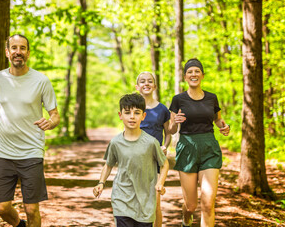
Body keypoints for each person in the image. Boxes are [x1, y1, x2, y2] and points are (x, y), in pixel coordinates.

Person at [0, 34, 60, 227]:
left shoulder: (41, 80)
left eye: (22, 48)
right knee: (1, 207)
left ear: (28, 53)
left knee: (32, 209)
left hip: (31, 152)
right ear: (7, 52)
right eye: (14, 48)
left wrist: (50, 123)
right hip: (2, 152)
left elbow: (55, 115)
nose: (18, 51)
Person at [168, 58, 230, 227]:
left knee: (208, 204)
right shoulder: (178, 99)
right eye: (190, 72)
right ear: (185, 77)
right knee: (191, 205)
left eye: (197, 71)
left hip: (209, 147)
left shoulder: (212, 98)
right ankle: (186, 218)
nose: (193, 74)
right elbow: (172, 130)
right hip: (187, 148)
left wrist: (224, 127)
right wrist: (176, 123)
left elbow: (218, 120)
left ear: (202, 75)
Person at [93, 93, 170, 227]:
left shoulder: (151, 143)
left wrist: (160, 183)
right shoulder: (115, 142)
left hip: (146, 201)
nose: (132, 117)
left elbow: (164, 164)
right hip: (121, 199)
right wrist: (101, 183)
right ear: (120, 115)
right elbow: (108, 164)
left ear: (143, 116)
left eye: (137, 113)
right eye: (127, 113)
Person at [135, 71, 171, 227]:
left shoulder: (162, 109)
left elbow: (168, 133)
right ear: (137, 87)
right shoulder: (133, 108)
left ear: (155, 86)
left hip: (155, 158)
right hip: (136, 158)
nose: (146, 84)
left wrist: (165, 146)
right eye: (142, 81)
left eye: (149, 81)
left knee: (155, 201)